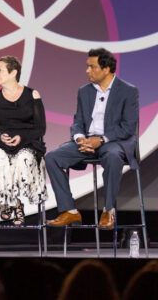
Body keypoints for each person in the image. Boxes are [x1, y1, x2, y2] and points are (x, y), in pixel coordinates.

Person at [45, 48, 138, 229]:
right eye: (87, 66)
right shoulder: (84, 91)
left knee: (112, 156)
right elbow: (78, 121)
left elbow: (128, 127)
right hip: (87, 141)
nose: (87, 71)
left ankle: (108, 210)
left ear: (106, 69)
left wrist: (101, 140)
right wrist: (80, 139)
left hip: (113, 142)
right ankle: (69, 211)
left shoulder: (128, 91)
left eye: (92, 67)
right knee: (52, 157)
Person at [0, 55, 47, 225]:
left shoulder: (32, 95)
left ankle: (10, 203)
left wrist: (21, 137)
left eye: (0, 70)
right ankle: (15, 204)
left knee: (23, 160)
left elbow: (40, 128)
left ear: (13, 72)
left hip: (27, 143)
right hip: (1, 144)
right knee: (0, 159)